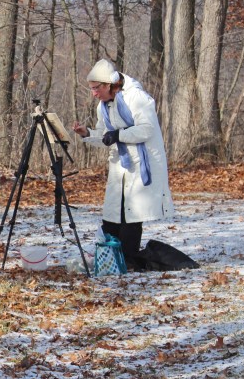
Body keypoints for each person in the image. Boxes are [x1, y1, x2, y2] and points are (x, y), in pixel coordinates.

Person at [71, 59, 174, 270]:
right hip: (120, 165)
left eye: (97, 88)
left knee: (131, 214)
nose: (94, 93)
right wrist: (88, 134)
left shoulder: (137, 98)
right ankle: (109, 258)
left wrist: (118, 135)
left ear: (109, 84)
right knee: (112, 213)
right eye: (91, 89)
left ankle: (128, 259)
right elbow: (105, 135)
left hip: (141, 163)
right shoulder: (104, 106)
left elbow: (147, 129)